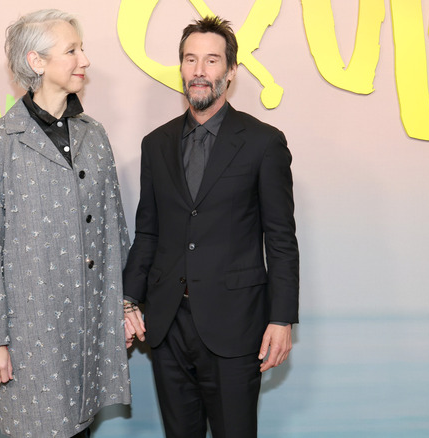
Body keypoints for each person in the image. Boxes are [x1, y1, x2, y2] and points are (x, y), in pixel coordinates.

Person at [122, 16, 300, 438]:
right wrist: (127, 300)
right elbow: (148, 232)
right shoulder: (156, 144)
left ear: (231, 71)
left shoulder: (263, 142)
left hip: (236, 325)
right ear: (181, 68)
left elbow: (280, 240)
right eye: (190, 59)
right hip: (167, 325)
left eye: (212, 60)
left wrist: (282, 319)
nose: (199, 70)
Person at [0, 10, 131, 438]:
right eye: (71, 50)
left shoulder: (95, 135)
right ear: (36, 61)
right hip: (30, 329)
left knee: (81, 427)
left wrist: (127, 305)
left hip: (89, 324)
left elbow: (115, 230)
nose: (85, 60)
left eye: (82, 48)